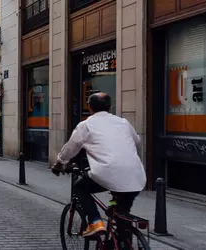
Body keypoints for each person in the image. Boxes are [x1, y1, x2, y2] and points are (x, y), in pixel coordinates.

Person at [50, 93, 146, 237]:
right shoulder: (124, 123)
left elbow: (70, 148)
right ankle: (123, 240)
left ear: (89, 107)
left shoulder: (86, 125)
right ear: (109, 107)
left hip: (106, 173)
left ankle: (95, 221)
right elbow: (137, 142)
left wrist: (59, 164)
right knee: (122, 212)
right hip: (136, 176)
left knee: (79, 187)